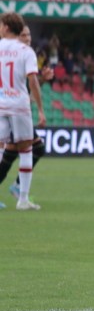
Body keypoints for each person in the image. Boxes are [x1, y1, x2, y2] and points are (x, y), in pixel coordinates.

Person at [0, 24, 52, 209]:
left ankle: (18, 187)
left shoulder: (22, 55)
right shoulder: (20, 54)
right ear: (16, 35)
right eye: (24, 35)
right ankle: (19, 191)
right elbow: (25, 90)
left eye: (29, 34)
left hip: (12, 108)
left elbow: (26, 91)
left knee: (18, 151)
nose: (28, 38)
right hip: (13, 110)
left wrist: (42, 80)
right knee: (24, 150)